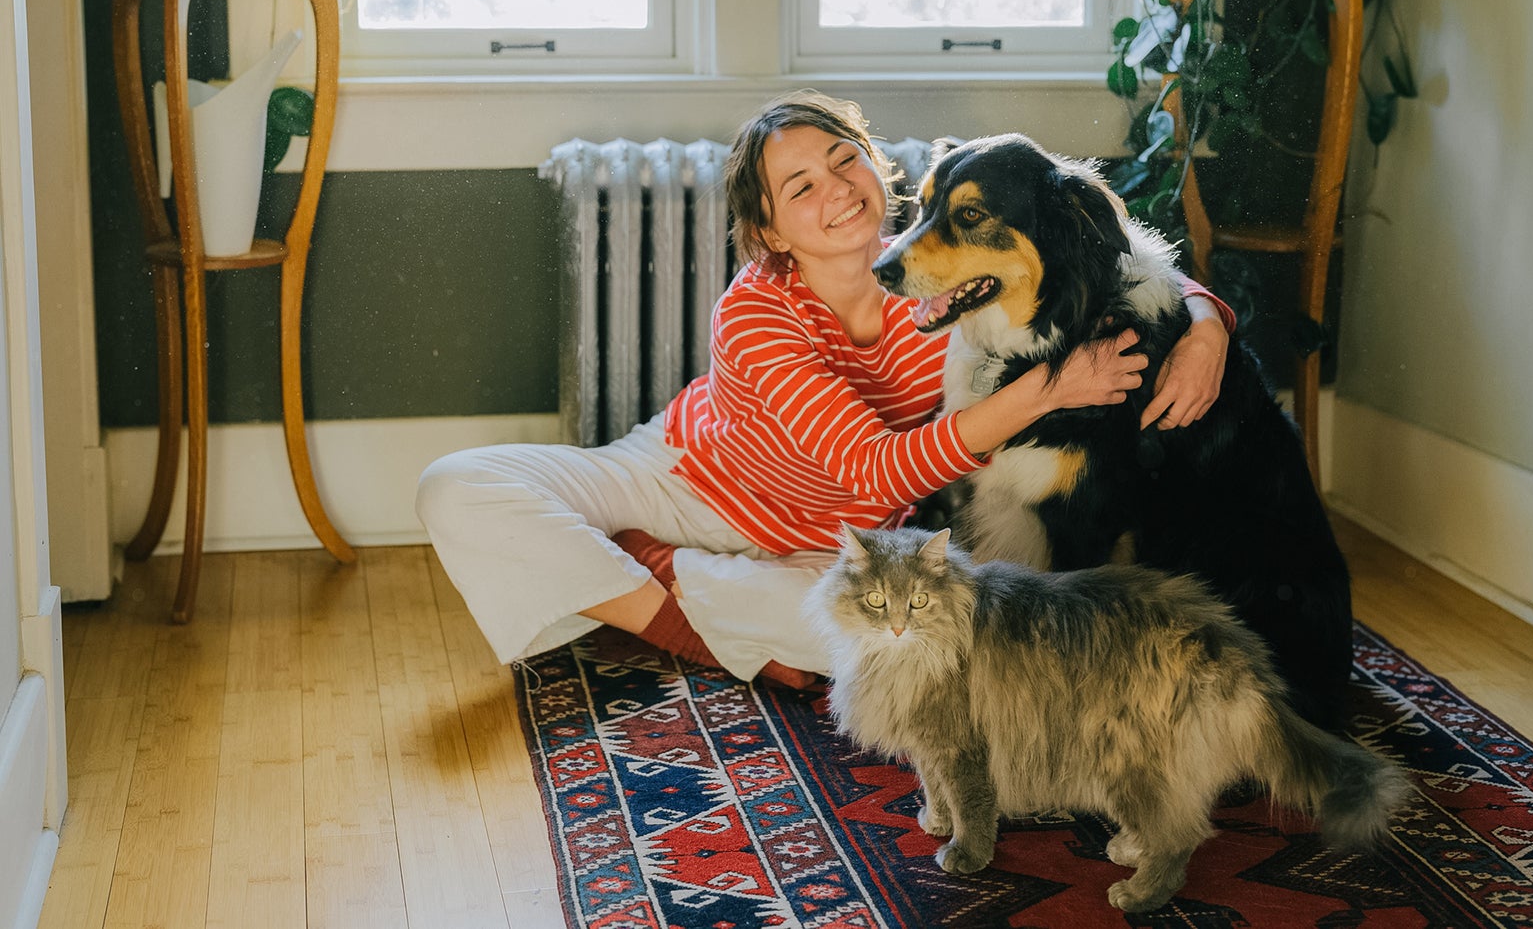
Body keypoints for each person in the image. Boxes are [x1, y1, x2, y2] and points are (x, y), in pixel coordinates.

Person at [415, 92, 1232, 688]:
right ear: (771, 229)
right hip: (683, 482)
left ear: (878, 170)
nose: (836, 187)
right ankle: (672, 597)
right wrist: (1047, 393)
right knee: (457, 487)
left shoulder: (953, 280)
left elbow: (1108, 261)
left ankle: (637, 577)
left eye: (845, 160)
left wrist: (1207, 323)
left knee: (943, 651)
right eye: (801, 186)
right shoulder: (754, 311)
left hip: (832, 547)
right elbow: (872, 470)